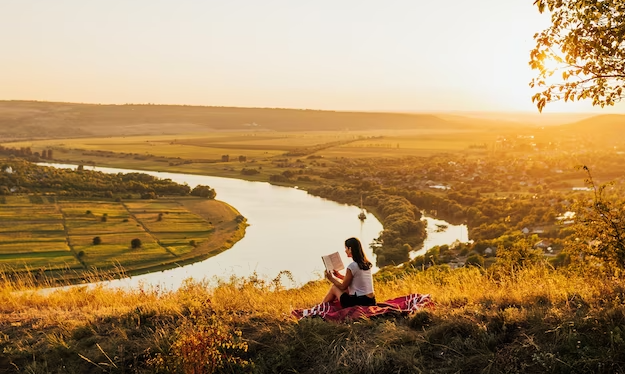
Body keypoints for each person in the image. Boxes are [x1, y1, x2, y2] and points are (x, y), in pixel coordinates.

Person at [323, 237, 376, 307]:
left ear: (350, 249)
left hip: (360, 302)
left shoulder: (352, 266)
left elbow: (343, 287)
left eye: (346, 248)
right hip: (371, 300)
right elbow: (356, 280)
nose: (345, 251)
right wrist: (339, 276)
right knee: (347, 290)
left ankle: (320, 306)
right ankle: (323, 306)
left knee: (334, 288)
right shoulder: (366, 264)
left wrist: (331, 279)